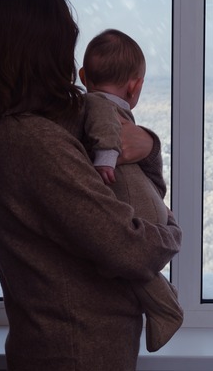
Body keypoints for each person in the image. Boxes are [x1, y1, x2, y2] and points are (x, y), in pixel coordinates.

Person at [0, 0, 182, 371]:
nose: (70, 59)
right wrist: (172, 234)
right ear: (42, 48)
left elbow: (112, 140)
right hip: (75, 353)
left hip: (74, 348)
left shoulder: (34, 129)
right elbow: (127, 248)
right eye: (64, 43)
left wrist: (149, 143)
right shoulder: (31, 142)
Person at [79, 29, 184, 352]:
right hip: (142, 203)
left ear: (83, 76)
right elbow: (106, 129)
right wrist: (107, 159)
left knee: (132, 262)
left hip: (139, 202)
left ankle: (166, 310)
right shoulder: (102, 105)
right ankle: (166, 309)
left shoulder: (92, 101)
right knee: (136, 262)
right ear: (135, 85)